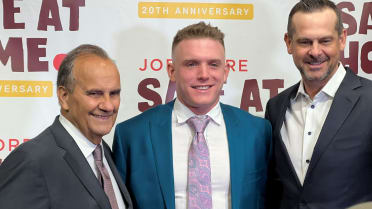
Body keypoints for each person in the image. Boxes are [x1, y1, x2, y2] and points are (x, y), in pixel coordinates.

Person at [113, 22, 272, 209]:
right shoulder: (132, 135)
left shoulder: (257, 131)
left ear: (225, 72)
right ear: (172, 72)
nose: (204, 74)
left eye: (213, 64)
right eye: (191, 64)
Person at [265, 0, 372, 208]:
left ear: (342, 39)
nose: (315, 52)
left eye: (325, 41)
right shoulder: (276, 107)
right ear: (289, 43)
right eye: (305, 42)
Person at [0, 44, 133, 209]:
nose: (108, 105)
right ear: (64, 96)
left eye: (114, 93)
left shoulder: (104, 152)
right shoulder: (32, 160)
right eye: (94, 93)